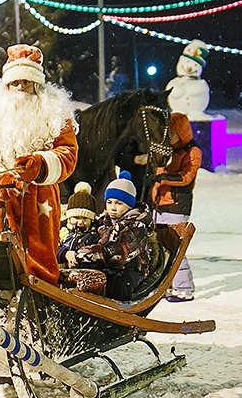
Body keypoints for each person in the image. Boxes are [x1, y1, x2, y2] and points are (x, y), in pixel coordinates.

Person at [0, 43, 79, 284]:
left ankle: (43, 306)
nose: (20, 88)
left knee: (39, 266)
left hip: (39, 204)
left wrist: (40, 165)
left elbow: (68, 154)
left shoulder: (57, 116)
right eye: (14, 83)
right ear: (5, 85)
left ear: (37, 85)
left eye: (26, 83)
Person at [63, 172, 164, 301]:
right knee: (81, 275)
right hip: (110, 267)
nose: (113, 208)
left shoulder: (136, 225)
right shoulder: (106, 221)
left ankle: (105, 309)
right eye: (109, 202)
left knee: (117, 282)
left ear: (129, 205)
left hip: (131, 271)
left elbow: (116, 253)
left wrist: (78, 255)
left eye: (118, 203)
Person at [151, 113, 201, 303]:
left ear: (180, 132)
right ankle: (167, 286)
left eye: (171, 133)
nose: (168, 137)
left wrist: (163, 178)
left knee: (176, 249)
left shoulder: (192, 150)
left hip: (177, 205)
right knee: (160, 249)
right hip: (160, 204)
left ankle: (185, 289)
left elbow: (187, 176)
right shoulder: (166, 150)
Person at [57, 181, 97, 267]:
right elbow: (51, 249)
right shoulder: (60, 230)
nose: (80, 222)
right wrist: (65, 253)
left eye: (85, 218)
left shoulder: (95, 235)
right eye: (76, 218)